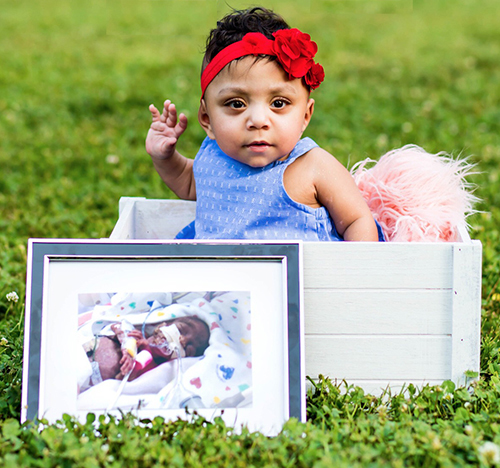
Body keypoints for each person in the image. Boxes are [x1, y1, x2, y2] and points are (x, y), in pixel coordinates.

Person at [145, 7, 384, 242]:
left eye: (278, 103)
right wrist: (165, 158)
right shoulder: (213, 158)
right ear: (207, 119)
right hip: (219, 274)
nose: (258, 120)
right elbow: (188, 182)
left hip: (300, 279)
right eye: (236, 104)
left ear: (305, 115)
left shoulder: (313, 166)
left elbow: (357, 220)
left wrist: (351, 274)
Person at [85, 316, 210, 384]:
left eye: (188, 350)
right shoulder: (134, 333)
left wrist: (130, 368)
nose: (182, 340)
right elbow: (118, 324)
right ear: (163, 325)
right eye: (182, 330)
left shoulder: (153, 369)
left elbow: (125, 381)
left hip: (86, 378)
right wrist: (127, 344)